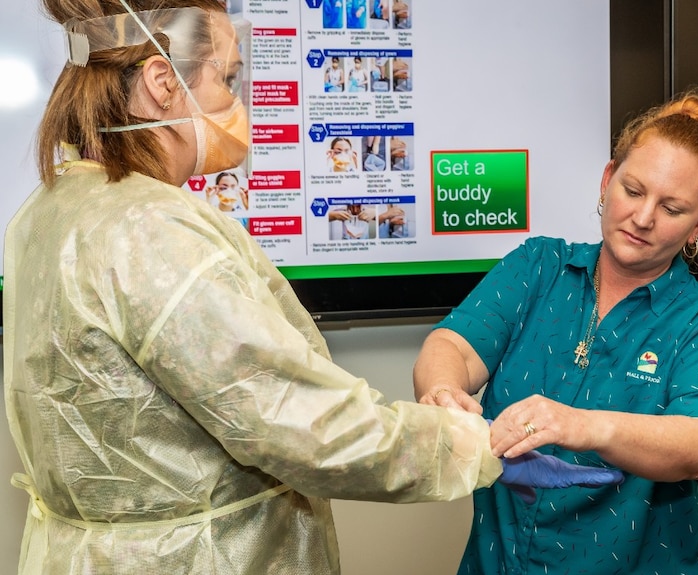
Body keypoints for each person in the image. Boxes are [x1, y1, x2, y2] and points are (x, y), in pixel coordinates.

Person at [3, 2, 622, 574]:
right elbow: (296, 421)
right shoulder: (150, 231)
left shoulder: (53, 208)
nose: (236, 102)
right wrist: (475, 447)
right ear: (165, 84)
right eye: (226, 79)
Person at [414, 88, 698, 574]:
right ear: (607, 179)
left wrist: (581, 424)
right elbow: (453, 346)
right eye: (633, 191)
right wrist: (443, 390)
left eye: (672, 209)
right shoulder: (538, 266)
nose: (642, 217)